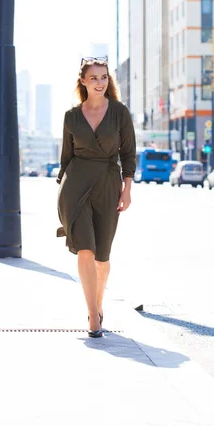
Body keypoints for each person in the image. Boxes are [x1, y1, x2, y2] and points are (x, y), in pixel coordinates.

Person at [56, 57, 136, 338]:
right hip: (75, 187)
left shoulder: (119, 113)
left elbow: (128, 154)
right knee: (85, 250)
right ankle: (93, 315)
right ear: (83, 81)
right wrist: (61, 190)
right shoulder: (71, 116)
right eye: (94, 78)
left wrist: (126, 190)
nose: (100, 83)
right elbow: (66, 157)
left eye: (104, 77)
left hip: (107, 185)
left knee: (102, 257)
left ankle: (98, 304)